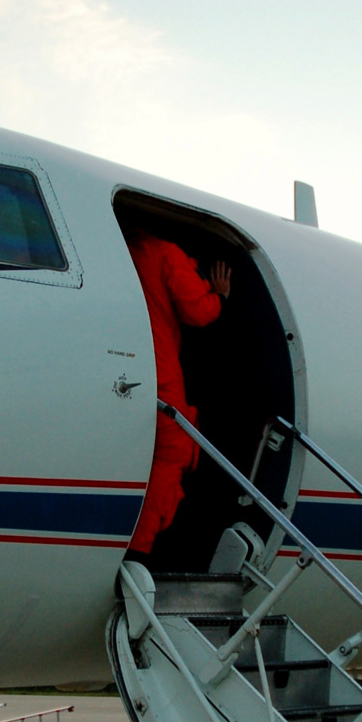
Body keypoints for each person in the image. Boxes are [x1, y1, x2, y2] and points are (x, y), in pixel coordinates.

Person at [125, 230, 231, 558]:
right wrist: (219, 295)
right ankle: (138, 554)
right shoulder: (164, 252)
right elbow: (197, 311)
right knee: (172, 455)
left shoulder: (120, 250)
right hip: (158, 370)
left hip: (127, 363)